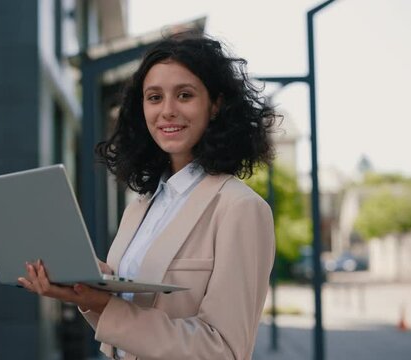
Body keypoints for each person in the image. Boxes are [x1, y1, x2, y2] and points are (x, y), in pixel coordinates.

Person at [18, 32, 277, 360]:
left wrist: (105, 304)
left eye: (184, 95)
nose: (167, 111)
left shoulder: (241, 208)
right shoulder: (141, 206)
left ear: (216, 105)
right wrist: (85, 289)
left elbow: (223, 351)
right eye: (154, 97)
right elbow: (125, 325)